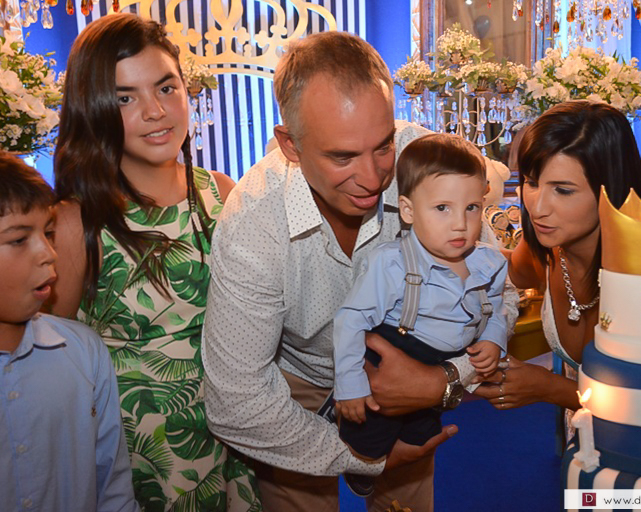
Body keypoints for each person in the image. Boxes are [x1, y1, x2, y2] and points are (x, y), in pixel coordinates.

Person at [202, 31, 513, 512]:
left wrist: (443, 379)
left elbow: (497, 295)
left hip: (411, 372)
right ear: (290, 144)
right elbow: (237, 400)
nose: (372, 178)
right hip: (296, 386)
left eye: (383, 145)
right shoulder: (254, 221)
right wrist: (363, 460)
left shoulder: (424, 165)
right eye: (342, 156)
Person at [49, 14, 260, 511]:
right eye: (125, 98)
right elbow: (52, 366)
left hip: (236, 438)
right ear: (94, 109)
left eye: (166, 87)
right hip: (139, 458)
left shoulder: (222, 194)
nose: (155, 111)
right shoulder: (78, 223)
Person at [334, 133, 508, 496]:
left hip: (442, 366)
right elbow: (351, 319)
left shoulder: (489, 262)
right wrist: (350, 385)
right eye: (442, 208)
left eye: (471, 207)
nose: (460, 223)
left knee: (421, 440)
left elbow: (497, 307)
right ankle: (362, 465)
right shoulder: (392, 263)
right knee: (367, 440)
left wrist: (494, 338)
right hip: (397, 351)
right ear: (409, 211)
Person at [474, 100, 641, 418]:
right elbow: (507, 269)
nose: (538, 207)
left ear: (610, 187)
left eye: (563, 190)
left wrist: (548, 387)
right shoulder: (546, 251)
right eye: (532, 182)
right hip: (582, 436)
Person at [0, 151, 139, 512]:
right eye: (18, 240)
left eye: (48, 233)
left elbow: (114, 487)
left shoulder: (84, 351)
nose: (49, 253)